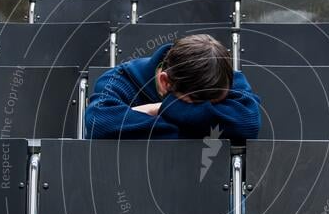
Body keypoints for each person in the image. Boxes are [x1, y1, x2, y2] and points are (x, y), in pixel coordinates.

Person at [85, 34, 260, 141]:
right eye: (196, 104)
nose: (206, 111)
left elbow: (248, 124)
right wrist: (201, 132)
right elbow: (98, 124)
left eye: (215, 104)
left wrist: (162, 108)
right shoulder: (119, 80)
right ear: (165, 82)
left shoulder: (223, 76)